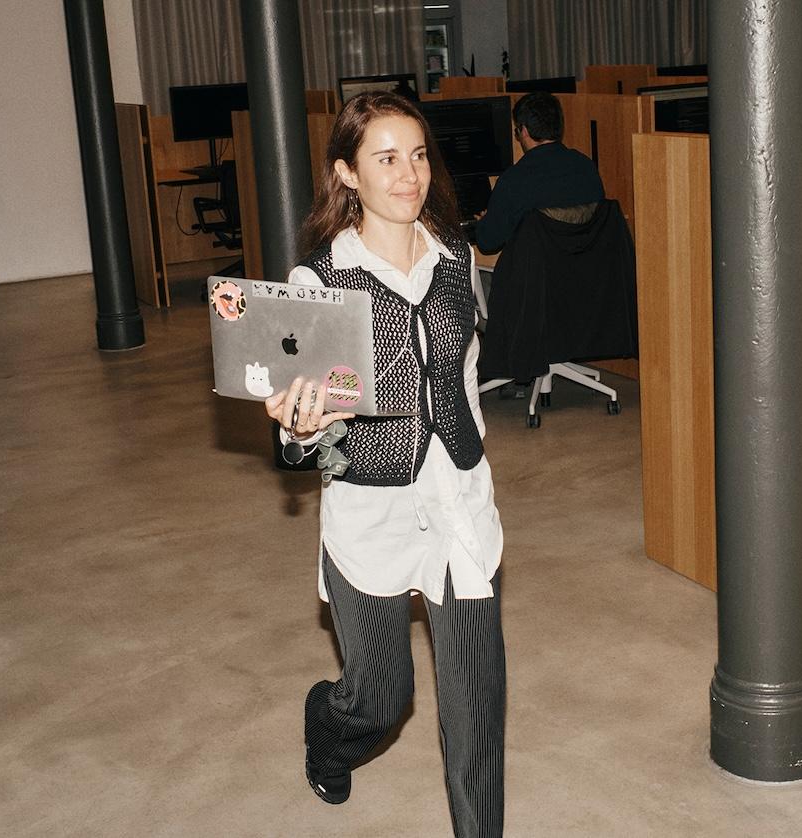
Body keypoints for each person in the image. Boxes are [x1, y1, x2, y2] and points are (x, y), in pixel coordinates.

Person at [263, 91, 506, 838]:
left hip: (459, 512)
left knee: (477, 712)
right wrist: (298, 432)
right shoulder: (318, 285)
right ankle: (328, 731)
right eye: (387, 159)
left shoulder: (460, 262)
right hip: (370, 516)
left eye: (420, 155)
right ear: (347, 175)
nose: (410, 175)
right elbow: (301, 439)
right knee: (380, 700)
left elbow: (463, 379)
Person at [475, 91, 604, 254]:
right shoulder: (587, 167)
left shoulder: (514, 180)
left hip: (537, 276)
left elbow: (487, 244)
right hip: (587, 272)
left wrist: (485, 223)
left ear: (524, 131)